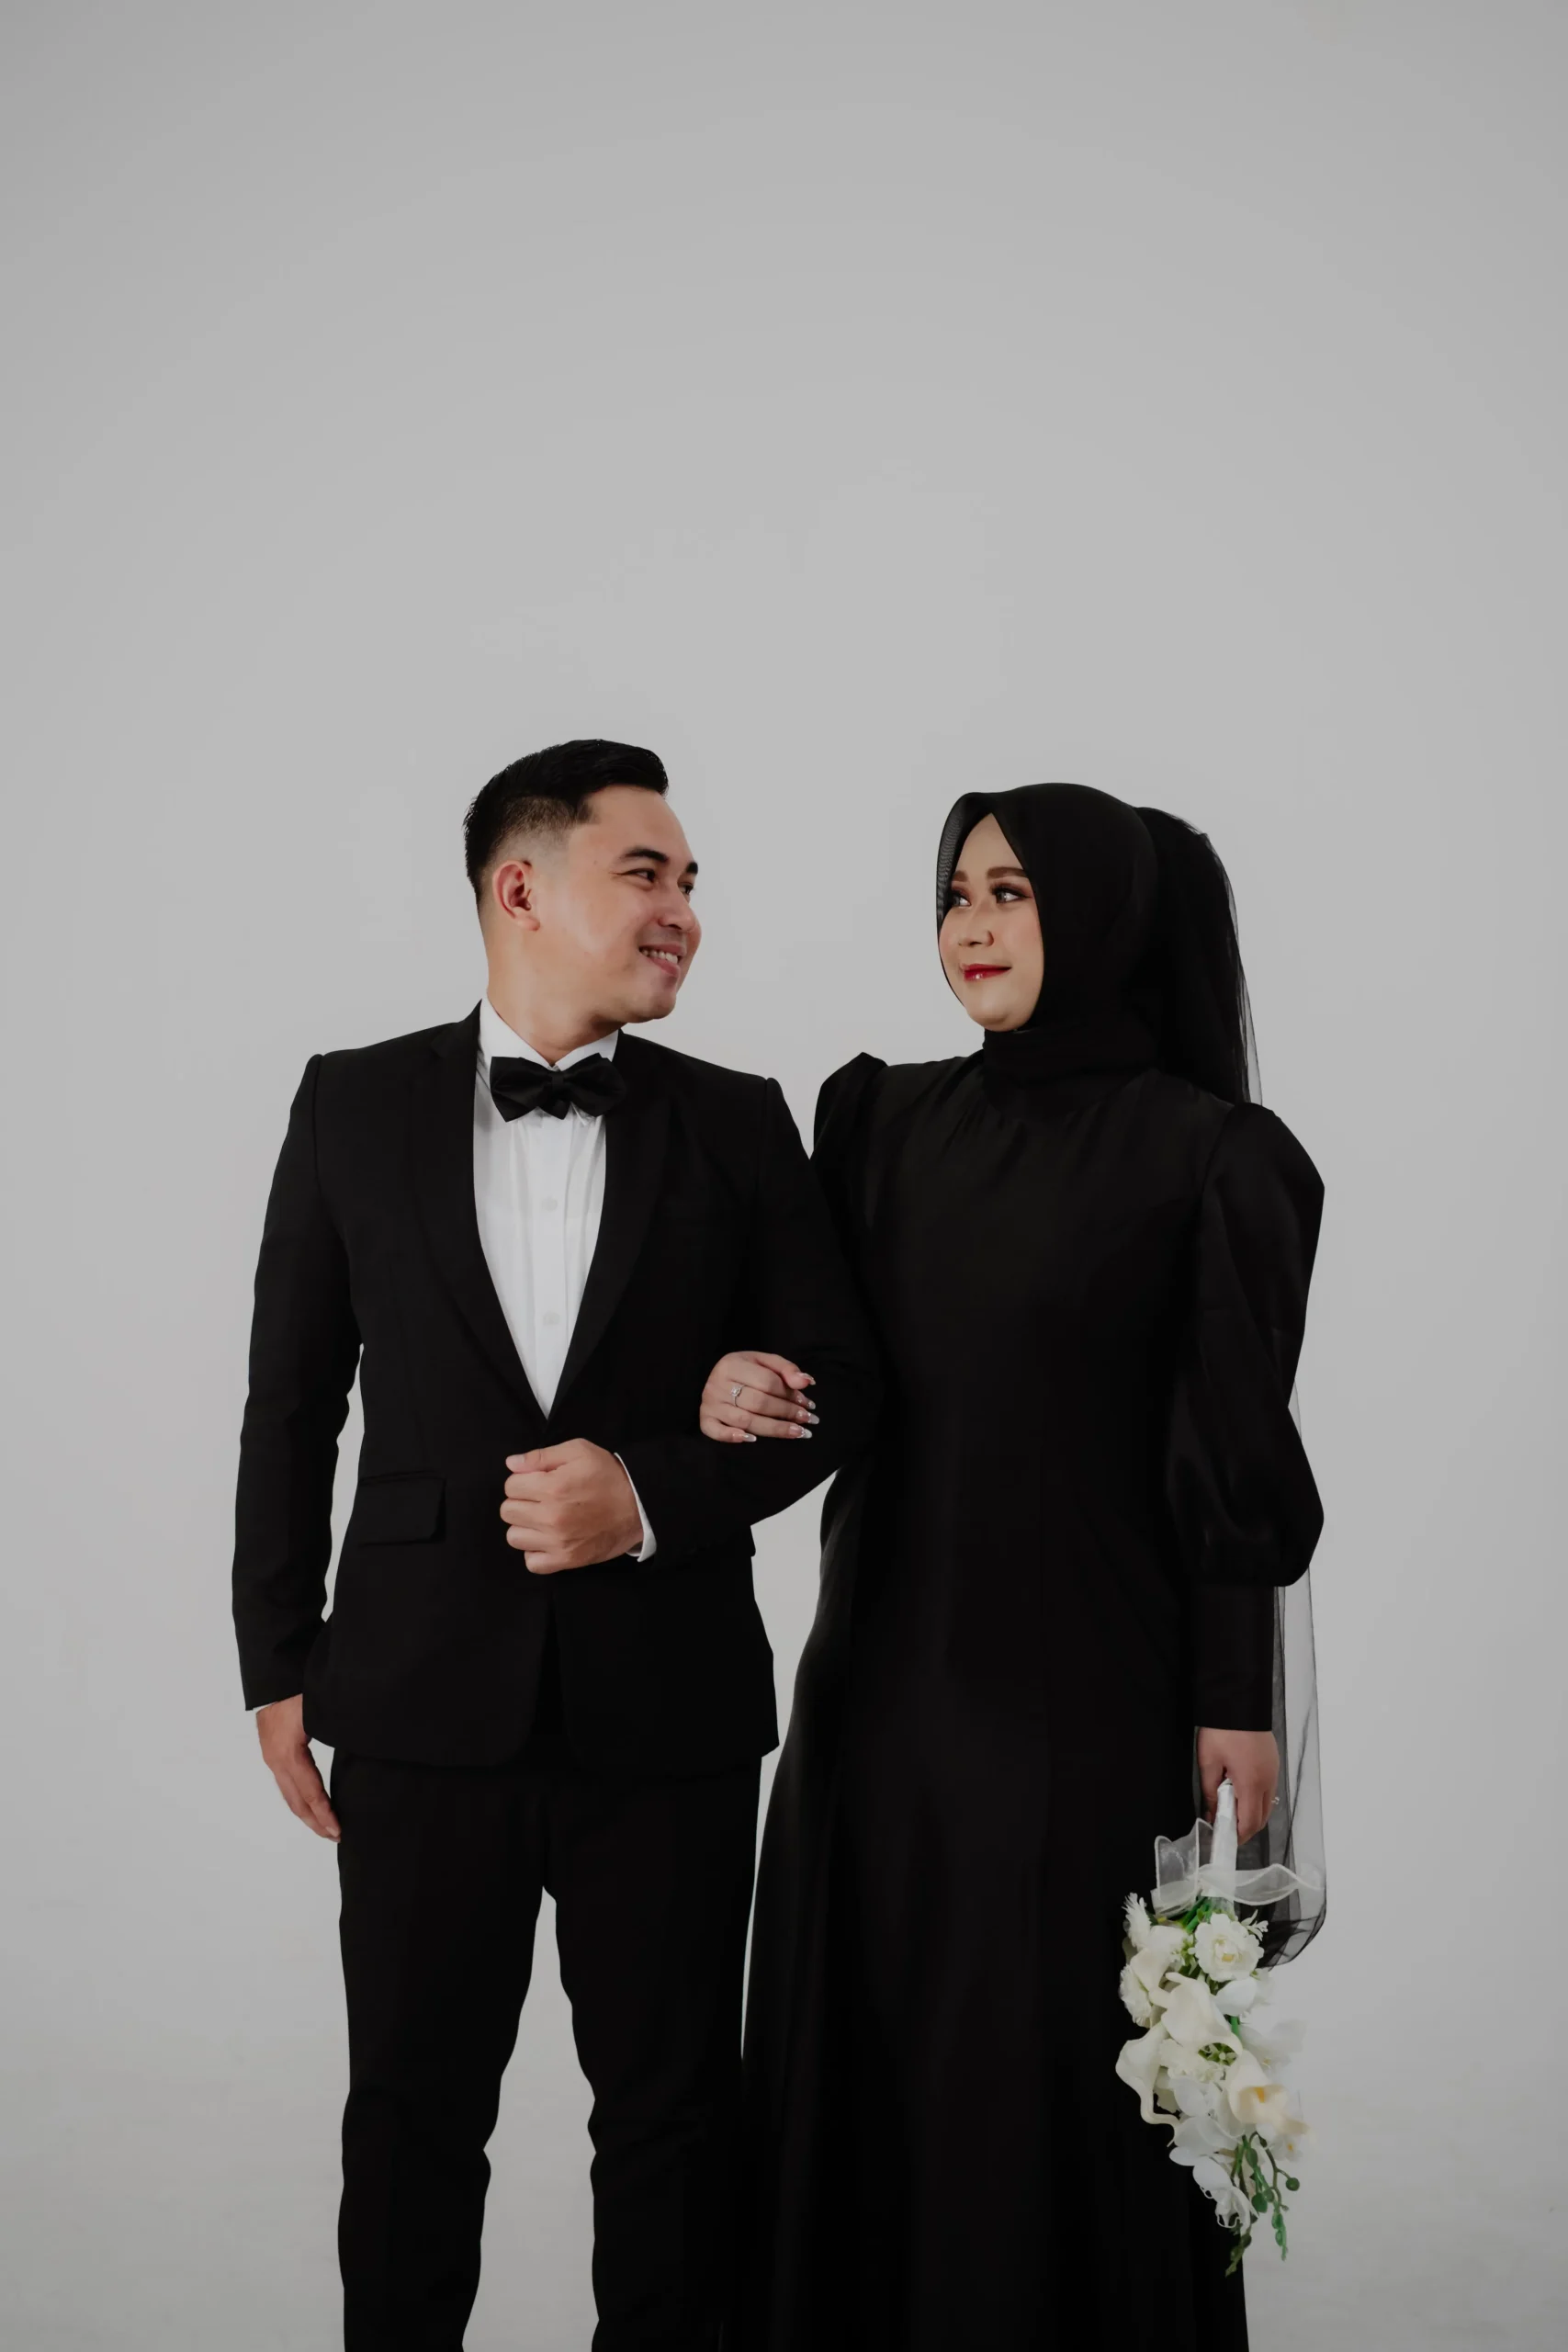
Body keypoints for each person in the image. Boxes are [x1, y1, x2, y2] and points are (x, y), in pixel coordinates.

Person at [231, 739, 879, 2352]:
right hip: (411, 1696)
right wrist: (276, 1663)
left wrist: (650, 1492)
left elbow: (843, 1386)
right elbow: (290, 1403)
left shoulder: (739, 1122)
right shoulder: (351, 1100)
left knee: (674, 2119)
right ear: (520, 888)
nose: (683, 914)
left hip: (666, 1706)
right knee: (409, 2117)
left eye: (691, 884)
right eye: (644, 874)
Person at [704, 784, 1326, 2352]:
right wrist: (733, 1378)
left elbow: (1229, 1450)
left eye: (1013, 892)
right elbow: (809, 1358)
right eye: (956, 893)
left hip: (1080, 1709)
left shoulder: (1209, 1156)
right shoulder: (877, 1124)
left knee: (1036, 2081)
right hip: (874, 1696)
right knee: (867, 2050)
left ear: (1102, 915)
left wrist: (1232, 1695)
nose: (971, 926)